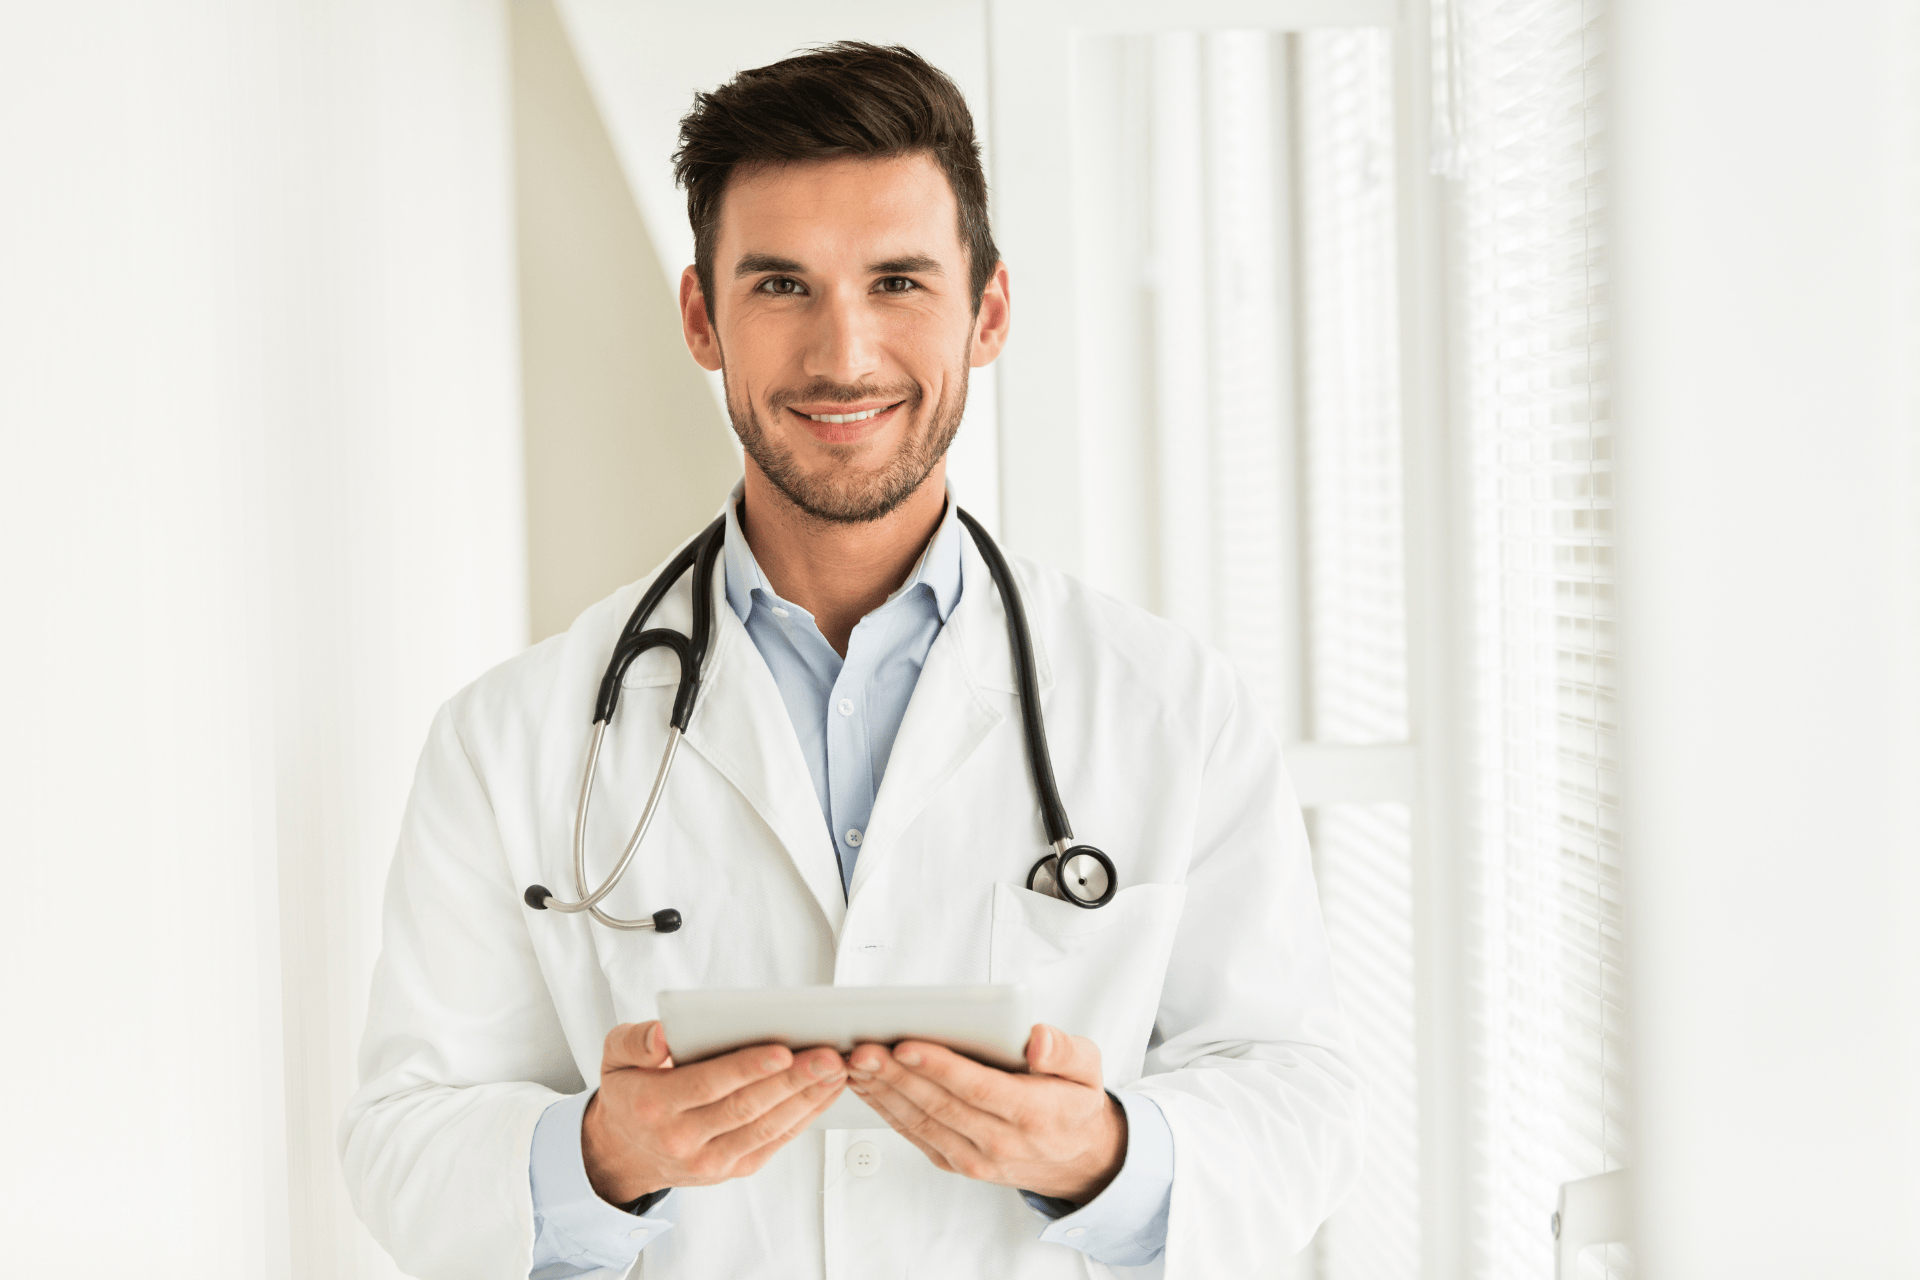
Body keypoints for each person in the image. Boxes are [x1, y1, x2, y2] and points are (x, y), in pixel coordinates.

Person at [340, 42, 1362, 1280]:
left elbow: (1296, 1104)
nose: (845, 354)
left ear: (986, 312)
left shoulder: (1172, 710)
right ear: (701, 317)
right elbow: (402, 1139)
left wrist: (1101, 1150)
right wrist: (600, 1152)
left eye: (898, 281)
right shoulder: (510, 738)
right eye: (781, 284)